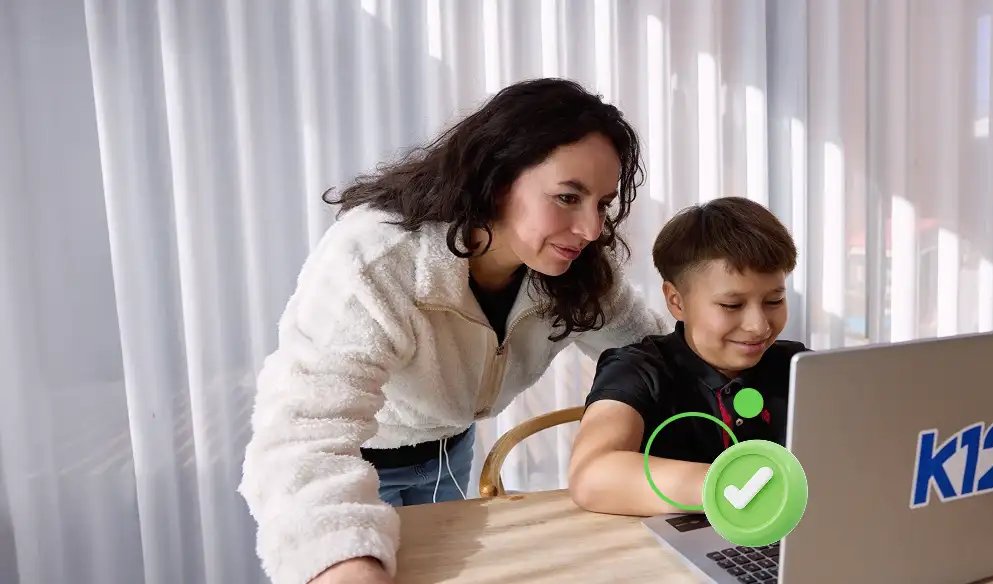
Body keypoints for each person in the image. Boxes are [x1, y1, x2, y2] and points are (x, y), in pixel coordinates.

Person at [238, 78, 672, 584]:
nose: (592, 228)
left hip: (451, 452)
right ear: (497, 177)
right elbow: (301, 437)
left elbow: (654, 355)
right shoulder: (377, 259)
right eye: (567, 197)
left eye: (601, 203)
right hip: (353, 468)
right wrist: (338, 559)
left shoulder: (578, 271)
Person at [567, 196, 809, 517]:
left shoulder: (799, 367)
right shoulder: (637, 368)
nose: (758, 326)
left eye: (774, 300)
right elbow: (592, 475)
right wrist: (744, 491)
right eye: (732, 305)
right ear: (676, 301)